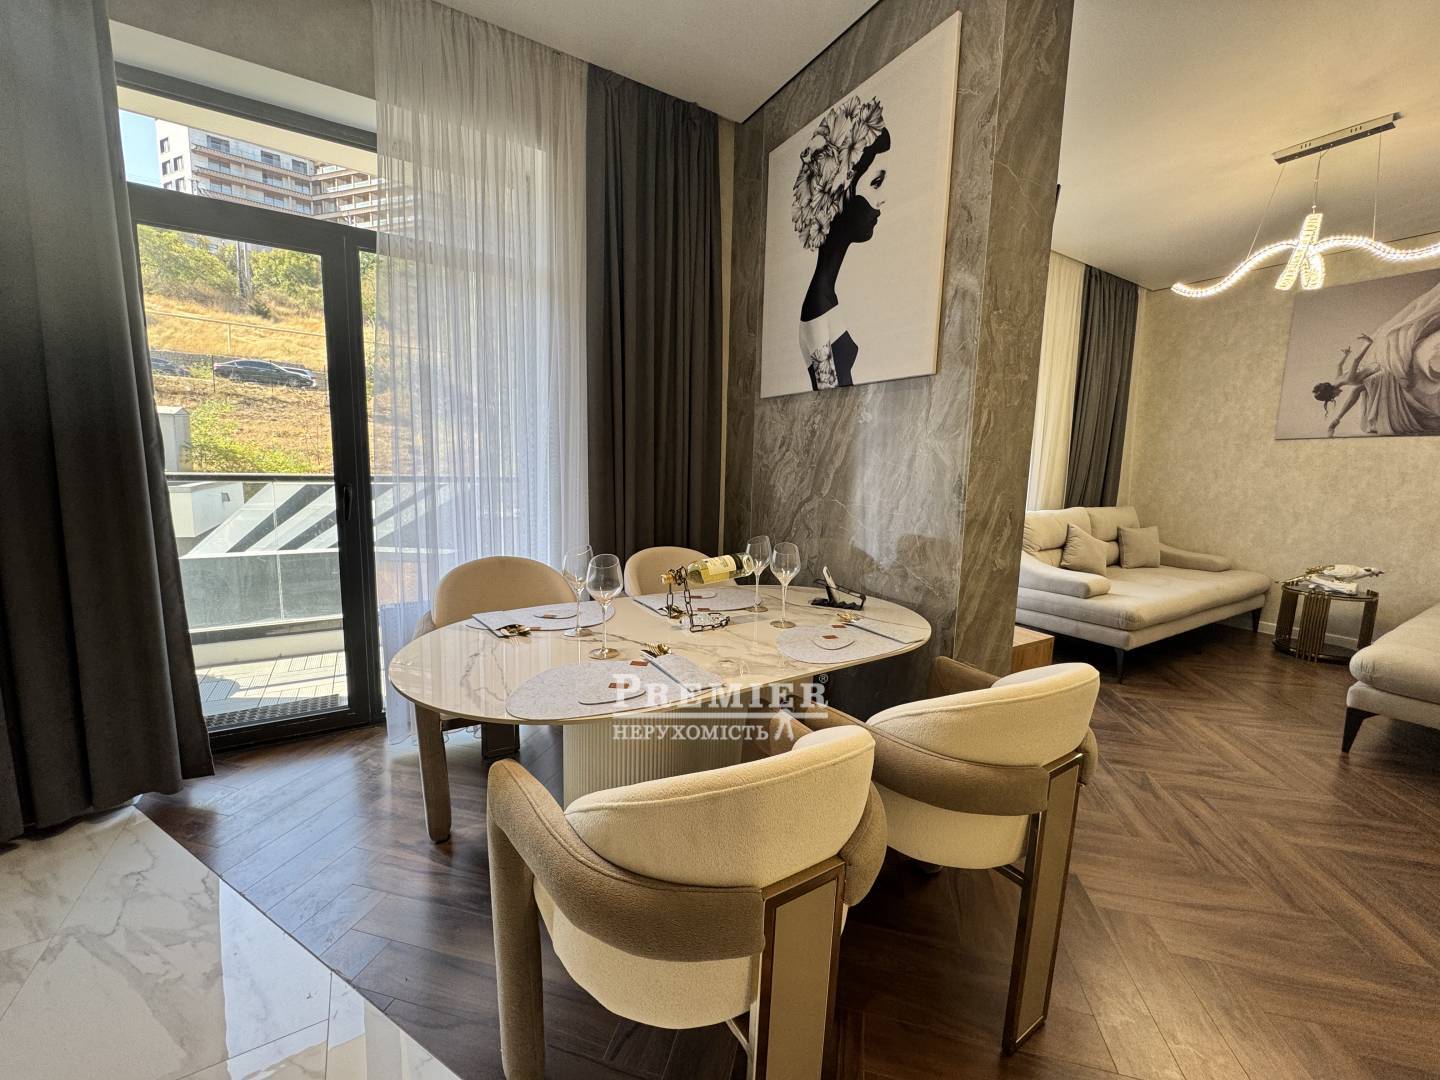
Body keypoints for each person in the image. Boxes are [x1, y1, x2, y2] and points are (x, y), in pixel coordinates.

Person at [790, 96, 891, 391]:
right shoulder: (817, 307)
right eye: (875, 183)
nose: (883, 199)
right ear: (841, 193)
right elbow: (827, 392)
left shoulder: (824, 297)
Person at [1313, 279, 1440, 436]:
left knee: (1359, 390)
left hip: (1381, 373)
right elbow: (1339, 366)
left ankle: (1337, 420)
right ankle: (1338, 420)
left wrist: (1367, 344)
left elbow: (1356, 361)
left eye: (1333, 397)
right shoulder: (1338, 378)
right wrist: (1345, 356)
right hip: (1375, 371)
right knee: (1360, 390)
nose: (1337, 397)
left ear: (1332, 392)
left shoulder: (1348, 380)